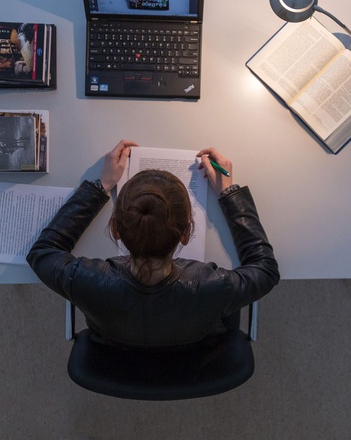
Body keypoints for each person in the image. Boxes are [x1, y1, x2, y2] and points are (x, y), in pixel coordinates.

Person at [26, 140, 279, 350]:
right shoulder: (214, 286)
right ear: (185, 233)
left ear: (115, 229)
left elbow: (44, 253)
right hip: (194, 348)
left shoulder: (86, 280)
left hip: (114, 347)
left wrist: (100, 186)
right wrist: (228, 192)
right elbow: (265, 270)